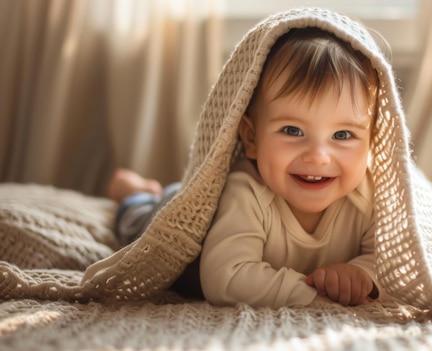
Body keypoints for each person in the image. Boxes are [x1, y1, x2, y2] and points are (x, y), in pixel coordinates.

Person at [108, 25, 390, 308]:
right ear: (252, 137)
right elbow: (225, 278)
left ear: (372, 140)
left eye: (342, 135)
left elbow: (398, 262)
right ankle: (135, 192)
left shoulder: (369, 195)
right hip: (174, 216)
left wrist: (362, 275)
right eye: (292, 130)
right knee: (140, 221)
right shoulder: (247, 191)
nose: (318, 157)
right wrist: (313, 295)